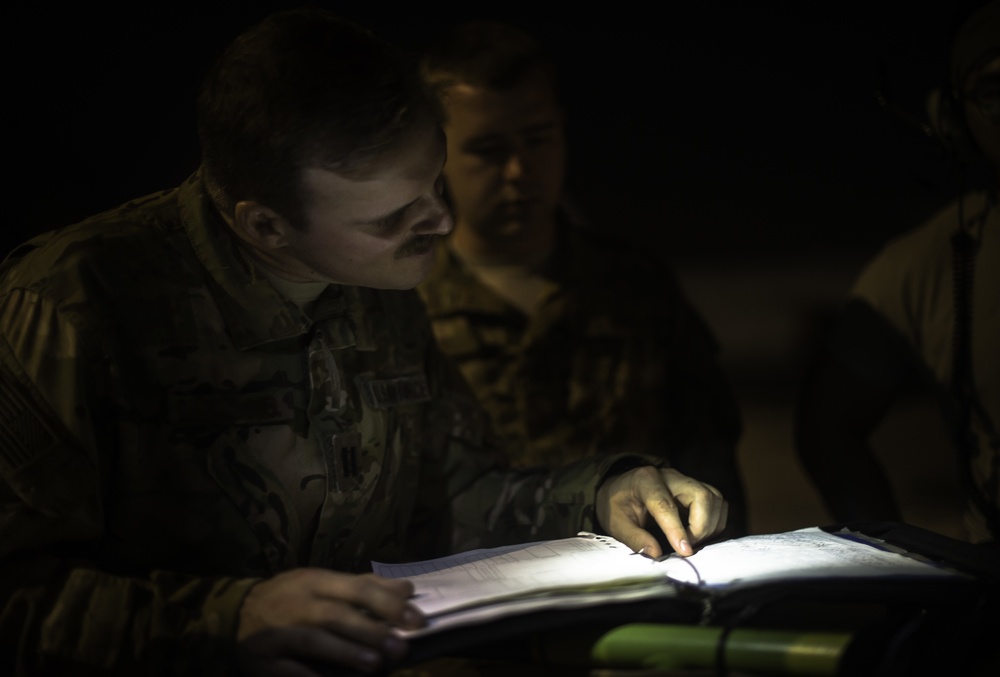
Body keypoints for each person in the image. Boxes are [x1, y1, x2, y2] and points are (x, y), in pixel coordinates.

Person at [0, 9, 730, 676]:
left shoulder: (377, 287)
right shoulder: (73, 307)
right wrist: (231, 618)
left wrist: (603, 491)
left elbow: (453, 498)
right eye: (392, 216)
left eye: (437, 184)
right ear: (265, 226)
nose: (441, 223)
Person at [415, 21, 748, 539]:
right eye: (488, 149)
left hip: (650, 575)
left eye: (538, 139)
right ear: (435, 155)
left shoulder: (634, 284)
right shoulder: (405, 304)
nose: (519, 171)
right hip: (480, 588)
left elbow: (710, 449)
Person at [795, 0, 999, 545]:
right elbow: (827, 426)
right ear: (953, 118)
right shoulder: (931, 262)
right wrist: (897, 556)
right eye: (995, 92)